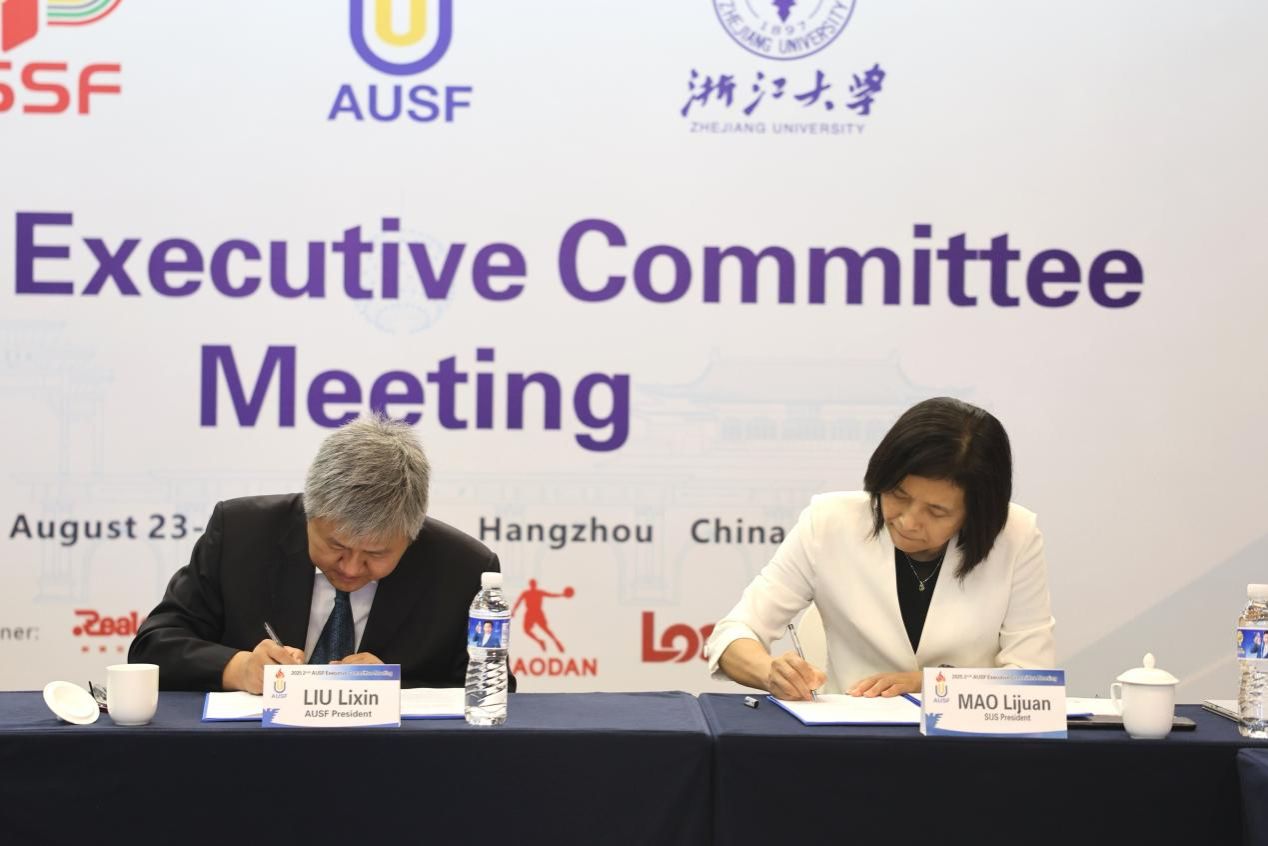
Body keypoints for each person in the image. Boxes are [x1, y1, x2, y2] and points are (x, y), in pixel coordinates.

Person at [129, 415, 511, 693]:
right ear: (309, 514)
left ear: (411, 536)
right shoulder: (241, 534)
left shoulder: (463, 570)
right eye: (336, 546)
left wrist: (393, 689)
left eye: (376, 554)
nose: (351, 568)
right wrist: (240, 668)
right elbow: (153, 647)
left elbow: (494, 691)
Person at [705, 397, 1055, 701]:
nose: (908, 521)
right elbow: (732, 634)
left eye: (936, 511)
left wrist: (929, 685)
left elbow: (1033, 679)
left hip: (973, 743)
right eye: (898, 495)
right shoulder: (829, 523)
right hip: (855, 739)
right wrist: (770, 672)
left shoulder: (1015, 536)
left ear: (976, 513)